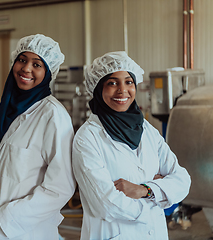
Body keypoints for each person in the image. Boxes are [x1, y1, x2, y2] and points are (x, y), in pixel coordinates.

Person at [72, 51, 191, 240]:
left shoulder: (146, 129)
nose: (122, 90)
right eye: (112, 83)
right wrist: (160, 196)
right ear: (98, 88)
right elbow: (107, 204)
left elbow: (183, 180)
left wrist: (144, 190)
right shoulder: (87, 138)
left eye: (129, 82)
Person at [0, 34, 76, 240]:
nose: (26, 69)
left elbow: (61, 186)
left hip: (28, 230)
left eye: (37, 64)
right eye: (22, 60)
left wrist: (9, 215)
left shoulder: (53, 115)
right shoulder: (8, 111)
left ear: (48, 72)